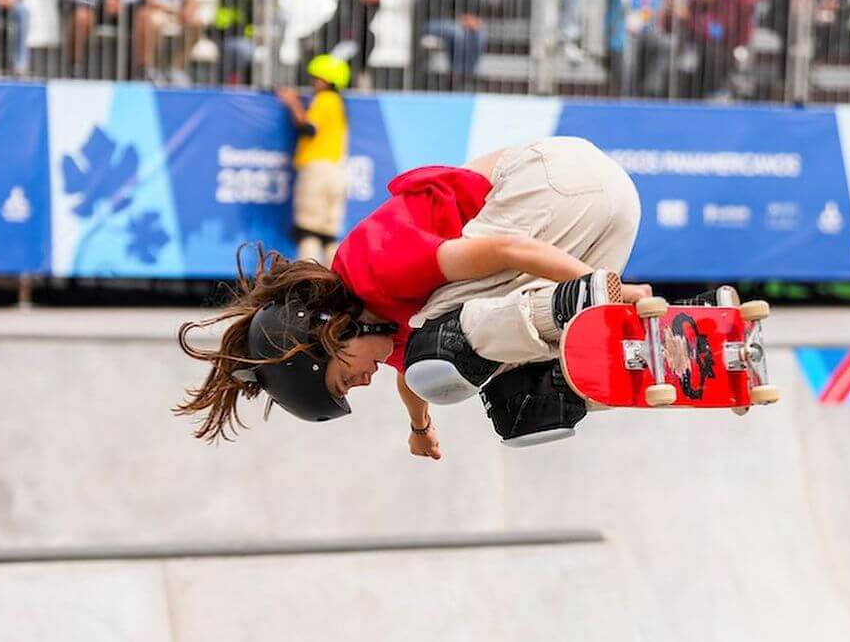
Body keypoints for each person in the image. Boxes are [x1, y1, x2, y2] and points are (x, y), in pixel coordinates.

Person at [176, 136, 653, 458]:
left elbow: (506, 248)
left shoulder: (374, 268)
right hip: (608, 212)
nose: (363, 384)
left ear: (329, 333)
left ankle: (579, 300)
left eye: (345, 380)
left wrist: (605, 287)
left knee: (440, 352)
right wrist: (419, 428)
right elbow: (410, 381)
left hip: (560, 183)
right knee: (524, 402)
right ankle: (656, 349)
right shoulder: (385, 324)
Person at [275, 54, 351, 265]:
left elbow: (308, 128)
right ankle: (335, 283)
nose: (313, 83)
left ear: (327, 80)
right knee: (328, 234)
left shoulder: (326, 100)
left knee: (308, 231)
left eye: (317, 78)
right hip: (337, 171)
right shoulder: (340, 104)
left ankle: (307, 283)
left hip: (317, 170)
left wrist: (292, 102)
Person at [63, 0, 147, 77]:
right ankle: (74, 69)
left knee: (144, 17)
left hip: (123, 9)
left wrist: (120, 1)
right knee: (81, 17)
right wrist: (102, 2)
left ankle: (142, 71)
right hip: (91, 7)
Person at [131, 0, 203, 86]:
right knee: (150, 19)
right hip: (155, 10)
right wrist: (176, 11)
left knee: (196, 23)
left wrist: (188, 11)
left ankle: (176, 69)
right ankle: (148, 69)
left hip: (175, 12)